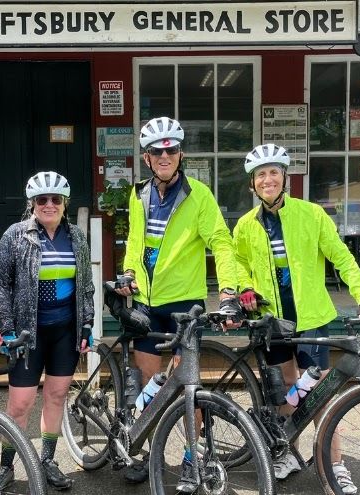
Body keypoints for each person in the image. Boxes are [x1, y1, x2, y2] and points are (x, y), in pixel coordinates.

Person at [233, 143, 360, 494]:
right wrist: (245, 287)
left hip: (311, 317)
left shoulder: (312, 215)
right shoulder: (244, 226)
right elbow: (237, 264)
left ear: (285, 178)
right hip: (272, 320)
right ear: (252, 185)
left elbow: (342, 259)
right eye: (260, 175)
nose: (267, 180)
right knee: (286, 388)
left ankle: (335, 462)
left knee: (318, 393)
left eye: (273, 173)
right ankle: (287, 452)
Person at [114, 116, 241, 488]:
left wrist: (229, 291)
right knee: (151, 386)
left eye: (171, 149)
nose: (165, 155)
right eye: (157, 150)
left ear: (180, 153)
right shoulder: (137, 194)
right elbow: (135, 244)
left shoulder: (199, 195)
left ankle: (190, 459)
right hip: (145, 304)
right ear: (147, 158)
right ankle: (147, 452)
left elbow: (221, 240)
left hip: (185, 304)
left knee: (189, 389)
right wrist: (127, 275)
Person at [0, 171, 95, 491]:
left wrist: (87, 324)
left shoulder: (76, 236)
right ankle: (7, 464)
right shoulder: (16, 234)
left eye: (55, 199)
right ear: (32, 203)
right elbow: (1, 283)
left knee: (56, 396)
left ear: (65, 203)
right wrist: (7, 328)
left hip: (64, 332)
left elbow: (86, 286)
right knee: (19, 404)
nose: (49, 205)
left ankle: (47, 460)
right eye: (41, 199)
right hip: (26, 334)